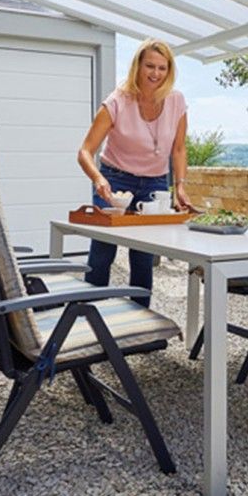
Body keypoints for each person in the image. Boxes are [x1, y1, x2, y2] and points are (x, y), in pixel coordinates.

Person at [77, 38, 192, 306]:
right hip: (115, 179)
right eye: (150, 66)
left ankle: (141, 318)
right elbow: (85, 151)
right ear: (137, 66)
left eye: (162, 68)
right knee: (103, 251)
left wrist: (180, 185)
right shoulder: (116, 102)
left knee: (143, 256)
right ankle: (87, 313)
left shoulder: (176, 101)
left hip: (155, 184)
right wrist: (98, 179)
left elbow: (178, 149)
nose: (155, 73)